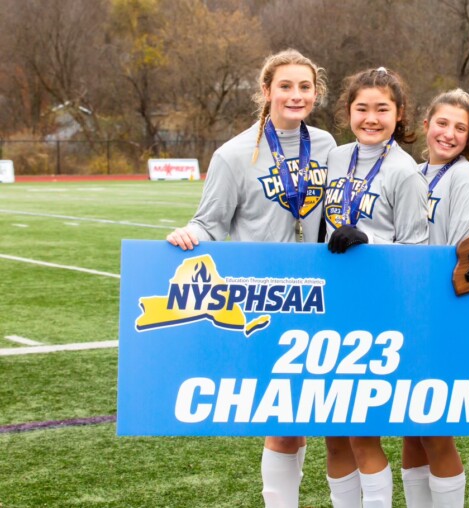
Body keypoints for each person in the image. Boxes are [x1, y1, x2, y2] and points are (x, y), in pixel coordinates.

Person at [165, 48, 336, 508]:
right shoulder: (233, 154)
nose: (296, 95)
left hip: (327, 294)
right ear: (266, 91)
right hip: (269, 298)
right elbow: (209, 223)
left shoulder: (327, 146)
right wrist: (189, 233)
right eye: (286, 86)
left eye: (305, 87)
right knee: (283, 420)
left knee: (317, 417)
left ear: (315, 93)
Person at [323, 67, 429, 508]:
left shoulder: (404, 171)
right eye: (362, 108)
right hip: (331, 302)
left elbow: (417, 249)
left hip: (377, 307)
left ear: (399, 113)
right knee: (332, 429)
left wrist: (371, 242)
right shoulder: (334, 157)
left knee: (361, 428)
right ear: (348, 112)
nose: (371, 118)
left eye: (382, 109)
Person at [400, 89, 469, 508]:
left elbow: (461, 253)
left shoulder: (465, 177)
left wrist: (433, 314)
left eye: (460, 128)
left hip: (439, 313)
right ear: (427, 122)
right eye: (442, 123)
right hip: (409, 311)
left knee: (434, 428)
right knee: (410, 428)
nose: (448, 134)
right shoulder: (413, 171)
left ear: (468, 137)